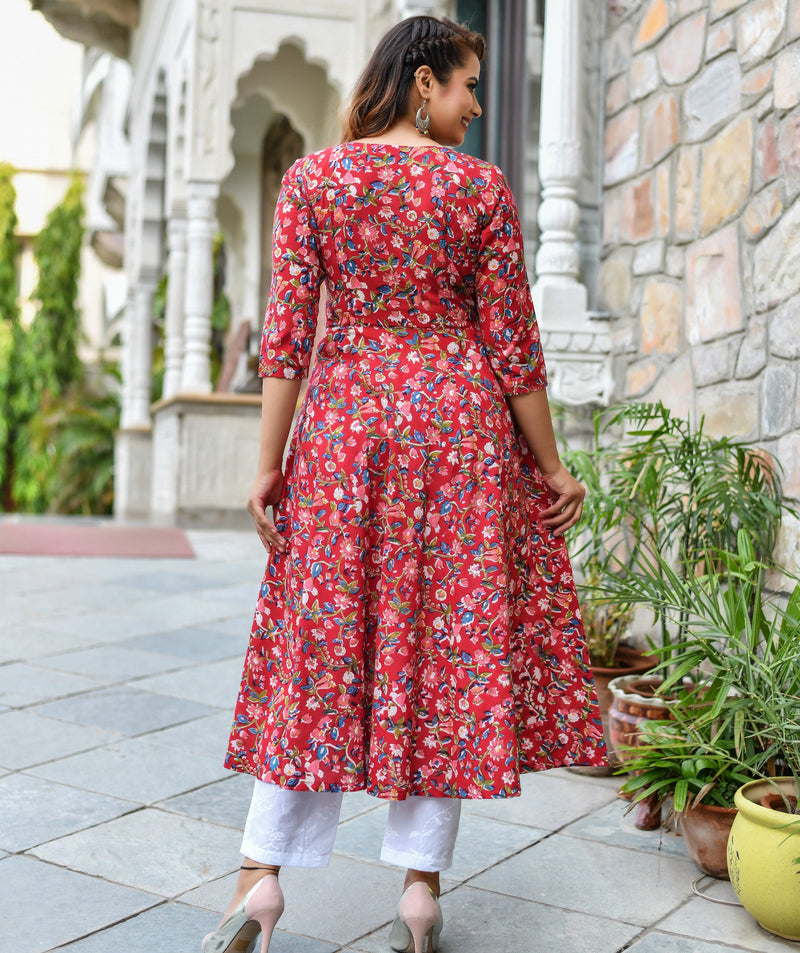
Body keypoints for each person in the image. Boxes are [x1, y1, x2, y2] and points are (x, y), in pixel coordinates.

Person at [202, 14, 607, 953]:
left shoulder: (314, 180)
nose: (475, 106)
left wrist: (270, 461)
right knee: (445, 657)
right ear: (424, 83)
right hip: (457, 433)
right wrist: (550, 465)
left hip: (345, 433)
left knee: (319, 645)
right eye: (469, 86)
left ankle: (260, 876)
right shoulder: (477, 188)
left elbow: (287, 338)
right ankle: (420, 893)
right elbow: (514, 345)